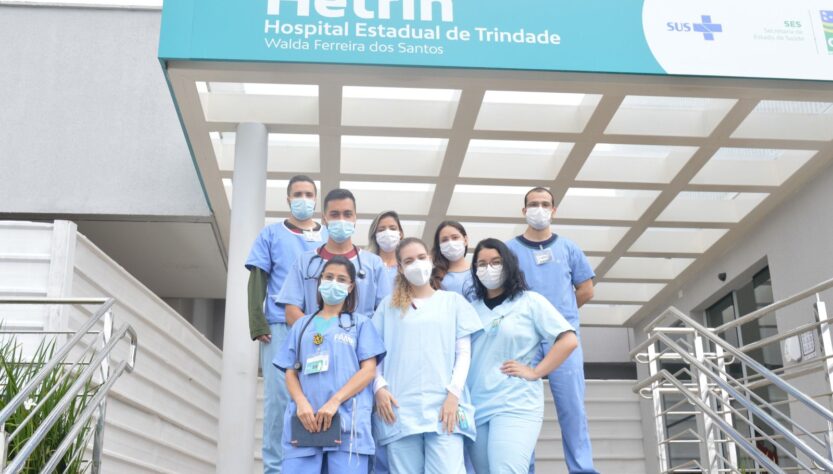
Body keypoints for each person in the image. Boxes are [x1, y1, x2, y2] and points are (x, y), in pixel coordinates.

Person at [466, 238, 579, 474]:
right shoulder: (470, 310)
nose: (489, 268)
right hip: (476, 406)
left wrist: (536, 371)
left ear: (508, 264)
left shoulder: (530, 302)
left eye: (496, 262)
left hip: (515, 403)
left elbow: (568, 340)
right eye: (482, 264)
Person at [505, 187, 597, 474]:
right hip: (524, 339)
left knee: (572, 408)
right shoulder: (510, 250)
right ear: (524, 211)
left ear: (554, 210)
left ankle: (582, 469)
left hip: (563, 339)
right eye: (533, 204)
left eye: (545, 204)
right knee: (522, 409)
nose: (539, 209)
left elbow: (586, 290)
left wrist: (557, 318)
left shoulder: (569, 248)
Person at [372, 238, 483, 474]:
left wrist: (454, 395)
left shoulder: (453, 302)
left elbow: (463, 354)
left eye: (421, 258)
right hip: (399, 407)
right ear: (400, 268)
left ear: (431, 260)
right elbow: (372, 355)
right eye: (409, 261)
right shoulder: (388, 307)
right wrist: (378, 387)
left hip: (445, 406)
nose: (417, 264)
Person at [245, 175, 328, 473]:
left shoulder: (328, 235)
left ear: (316, 199)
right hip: (280, 326)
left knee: (321, 395)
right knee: (279, 401)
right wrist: (258, 323)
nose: (303, 199)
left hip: (323, 329)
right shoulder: (271, 234)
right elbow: (257, 280)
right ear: (288, 199)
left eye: (308, 194)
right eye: (298, 194)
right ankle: (276, 468)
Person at [274, 256, 386, 473]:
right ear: (320, 281)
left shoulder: (360, 324)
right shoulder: (301, 326)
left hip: (347, 424)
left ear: (351, 286)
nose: (334, 282)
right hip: (306, 422)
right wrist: (301, 403)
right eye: (329, 277)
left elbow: (369, 371)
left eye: (341, 279)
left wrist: (335, 401)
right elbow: (290, 371)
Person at [277, 188, 391, 323]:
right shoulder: (304, 262)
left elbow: (386, 313)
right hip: (316, 341)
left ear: (355, 218)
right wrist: (318, 335)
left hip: (360, 341)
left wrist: (361, 336)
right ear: (325, 219)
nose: (341, 220)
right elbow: (291, 311)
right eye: (335, 214)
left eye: (347, 214)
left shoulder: (373, 263)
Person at [430, 221, 474, 301]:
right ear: (439, 246)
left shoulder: (479, 272)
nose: (450, 243)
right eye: (444, 240)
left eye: (455, 237)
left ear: (465, 240)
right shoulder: (434, 276)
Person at [367, 210, 404, 291]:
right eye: (381, 230)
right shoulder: (367, 265)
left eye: (392, 228)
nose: (387, 232)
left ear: (400, 233)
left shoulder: (407, 265)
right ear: (375, 235)